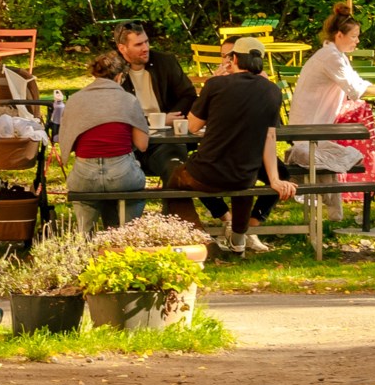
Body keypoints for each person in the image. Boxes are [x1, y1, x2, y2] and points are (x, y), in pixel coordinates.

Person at [164, 40, 295, 254]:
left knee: (175, 179)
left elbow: (193, 126)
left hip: (206, 173)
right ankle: (239, 239)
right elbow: (269, 138)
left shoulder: (215, 85)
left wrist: (209, 90)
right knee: (243, 185)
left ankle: (198, 237)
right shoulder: (272, 90)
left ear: (234, 58)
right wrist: (274, 179)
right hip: (244, 176)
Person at [287, 5, 375, 191]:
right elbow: (355, 89)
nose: (357, 41)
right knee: (360, 114)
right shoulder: (330, 57)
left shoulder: (336, 55)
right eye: (354, 36)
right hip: (311, 125)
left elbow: (356, 81)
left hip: (319, 120)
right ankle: (369, 175)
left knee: (360, 111)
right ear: (339, 35)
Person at [58, 50, 155, 221]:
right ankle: (128, 232)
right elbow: (142, 145)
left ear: (95, 75)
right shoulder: (128, 100)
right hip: (122, 174)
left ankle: (84, 235)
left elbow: (67, 141)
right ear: (119, 76)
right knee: (134, 196)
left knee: (85, 203)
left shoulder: (75, 100)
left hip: (84, 175)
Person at [113, 20, 199, 118]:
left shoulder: (165, 62)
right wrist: (153, 122)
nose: (146, 48)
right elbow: (111, 109)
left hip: (169, 124)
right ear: (122, 48)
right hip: (132, 125)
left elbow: (188, 95)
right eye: (138, 44)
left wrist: (171, 117)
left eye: (146, 42)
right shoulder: (112, 69)